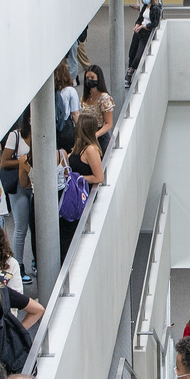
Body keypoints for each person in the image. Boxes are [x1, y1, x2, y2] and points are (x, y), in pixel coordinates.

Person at [58, 109, 105, 262]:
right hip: (74, 195)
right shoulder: (79, 146)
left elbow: (99, 177)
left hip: (81, 198)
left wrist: (78, 178)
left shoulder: (91, 149)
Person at [1, 110, 34, 284]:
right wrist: (24, 160)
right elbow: (4, 161)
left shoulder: (44, 131)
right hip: (19, 186)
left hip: (36, 184)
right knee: (21, 227)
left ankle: (37, 261)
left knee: (37, 226)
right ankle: (19, 266)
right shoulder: (16, 135)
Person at [127, 0, 161, 86]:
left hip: (146, 33)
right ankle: (129, 72)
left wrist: (143, 26)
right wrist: (137, 25)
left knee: (139, 54)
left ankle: (130, 72)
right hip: (139, 32)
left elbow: (155, 23)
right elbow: (140, 18)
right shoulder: (144, 7)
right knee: (132, 52)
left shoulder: (155, 8)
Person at [80, 64, 115, 154]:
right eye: (87, 78)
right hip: (86, 135)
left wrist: (96, 135)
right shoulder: (84, 97)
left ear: (98, 79)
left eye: (92, 77)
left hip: (100, 137)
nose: (89, 80)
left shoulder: (104, 98)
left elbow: (108, 123)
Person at [54, 62, 81, 153]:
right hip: (66, 128)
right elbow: (75, 113)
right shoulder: (70, 91)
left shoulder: (51, 92)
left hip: (54, 128)